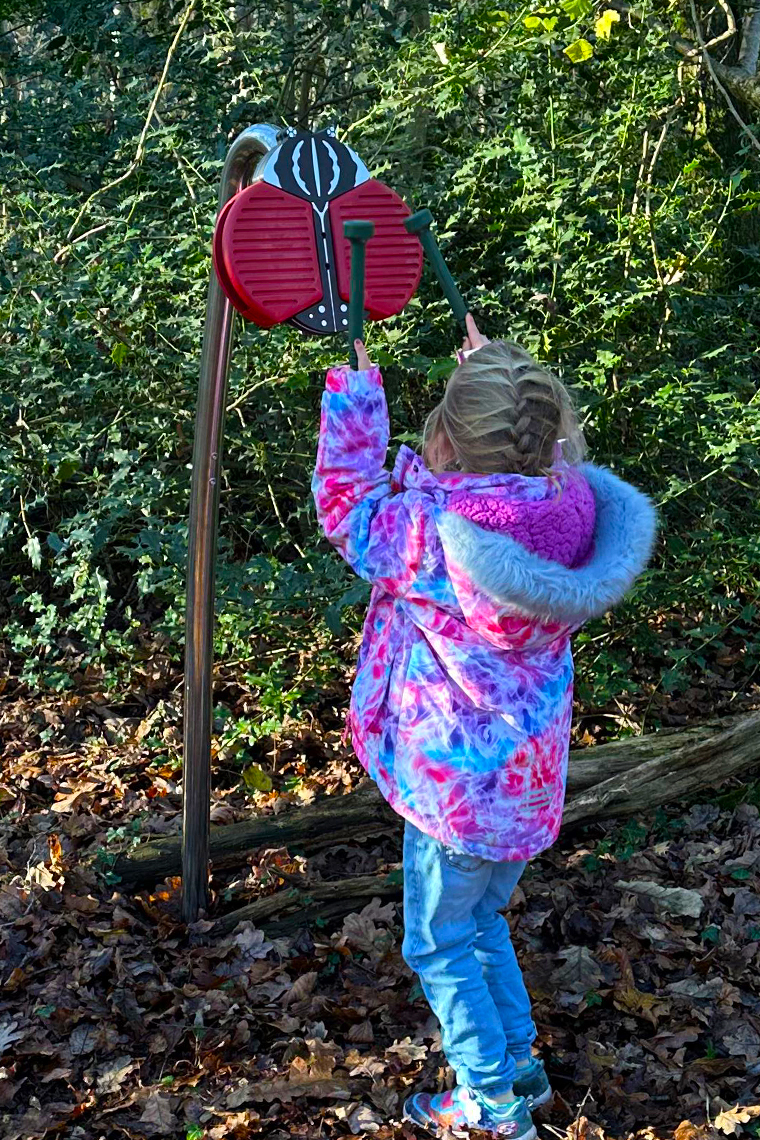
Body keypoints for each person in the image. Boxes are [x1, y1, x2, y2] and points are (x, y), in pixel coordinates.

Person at [312, 315, 656, 1139]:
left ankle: (491, 1104)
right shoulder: (571, 512)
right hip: (526, 784)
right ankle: (521, 1073)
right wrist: (497, 378)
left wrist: (357, 396)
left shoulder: (432, 535)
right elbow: (537, 447)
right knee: (482, 922)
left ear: (447, 438)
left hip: (455, 793)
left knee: (438, 944)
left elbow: (347, 505)